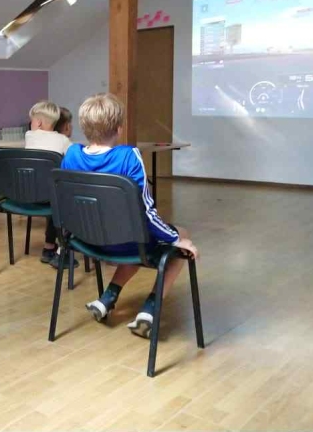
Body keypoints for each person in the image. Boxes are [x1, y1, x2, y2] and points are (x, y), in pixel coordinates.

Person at [60, 93, 199, 338]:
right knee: (179, 239)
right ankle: (151, 308)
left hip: (85, 242)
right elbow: (146, 211)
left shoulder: (71, 154)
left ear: (83, 127)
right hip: (125, 242)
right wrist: (177, 240)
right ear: (119, 128)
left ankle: (107, 298)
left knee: (131, 236)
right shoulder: (128, 156)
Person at [24, 101, 73, 266]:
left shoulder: (29, 136)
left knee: (53, 198)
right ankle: (63, 250)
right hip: (52, 197)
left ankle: (48, 247)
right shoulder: (63, 140)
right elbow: (73, 158)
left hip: (29, 194)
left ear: (38, 123)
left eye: (31, 120)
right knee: (65, 199)